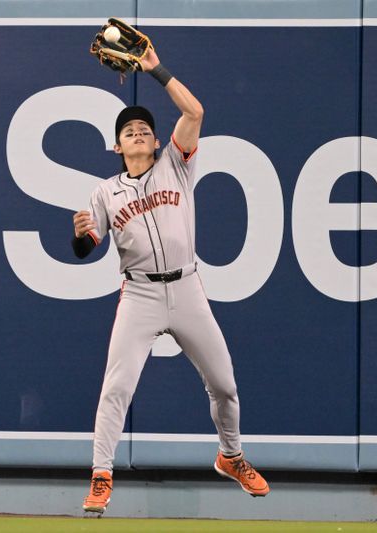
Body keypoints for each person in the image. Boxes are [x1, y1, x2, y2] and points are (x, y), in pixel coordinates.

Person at [73, 46, 269, 516]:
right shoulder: (105, 192)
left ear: (157, 142)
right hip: (139, 292)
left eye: (145, 129)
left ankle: (231, 456)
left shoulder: (175, 166)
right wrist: (81, 236)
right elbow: (88, 247)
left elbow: (195, 110)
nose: (138, 132)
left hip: (186, 288)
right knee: (115, 387)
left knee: (224, 385)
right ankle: (102, 475)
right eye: (128, 131)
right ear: (117, 147)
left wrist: (154, 69)